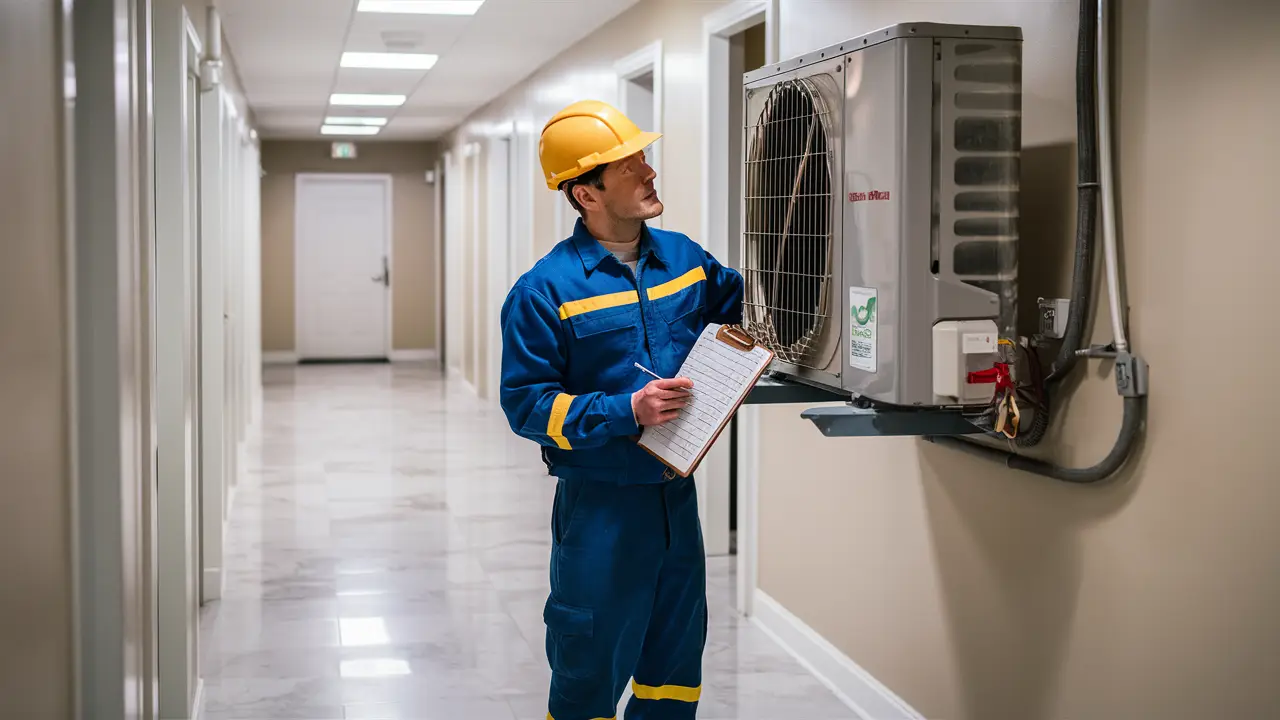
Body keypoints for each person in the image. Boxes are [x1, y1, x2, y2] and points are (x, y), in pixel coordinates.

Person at [498, 100, 744, 720]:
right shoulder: (544, 291)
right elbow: (526, 406)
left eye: (644, 159)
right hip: (600, 509)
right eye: (631, 166)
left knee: (675, 668)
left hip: (674, 499)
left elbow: (746, 312)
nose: (649, 173)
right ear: (586, 193)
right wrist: (624, 410)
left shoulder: (686, 260)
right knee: (589, 674)